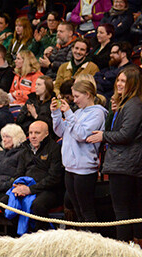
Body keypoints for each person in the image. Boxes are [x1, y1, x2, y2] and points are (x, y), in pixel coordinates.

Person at [87, 67, 142, 241]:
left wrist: (103, 136)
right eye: (118, 80)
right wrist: (114, 111)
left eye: (123, 81)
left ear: (133, 84)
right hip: (123, 163)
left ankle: (124, 248)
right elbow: (116, 128)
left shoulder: (134, 105)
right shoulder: (127, 104)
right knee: (128, 209)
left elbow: (126, 134)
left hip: (125, 164)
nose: (118, 84)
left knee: (123, 210)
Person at [52, 79, 107, 223]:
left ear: (88, 94)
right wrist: (56, 114)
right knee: (77, 211)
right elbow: (61, 132)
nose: (74, 100)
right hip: (70, 167)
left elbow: (81, 135)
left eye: (77, 96)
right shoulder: (77, 112)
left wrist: (69, 114)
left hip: (85, 168)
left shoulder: (97, 113)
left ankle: (93, 244)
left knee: (87, 211)